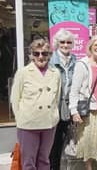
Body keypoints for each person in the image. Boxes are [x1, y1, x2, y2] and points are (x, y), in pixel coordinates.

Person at [10, 38, 61, 170]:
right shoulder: (23, 73)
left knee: (44, 160)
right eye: (36, 53)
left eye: (44, 53)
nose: (40, 57)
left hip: (49, 123)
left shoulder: (55, 73)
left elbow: (57, 97)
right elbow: (15, 99)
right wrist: (21, 118)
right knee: (28, 162)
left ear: (49, 55)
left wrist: (54, 116)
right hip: (28, 123)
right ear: (31, 55)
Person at [68, 35, 97, 170]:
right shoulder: (82, 65)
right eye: (96, 45)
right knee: (88, 142)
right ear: (91, 47)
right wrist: (73, 111)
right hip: (89, 111)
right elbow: (74, 90)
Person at [49, 29, 76, 170]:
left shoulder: (75, 60)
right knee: (54, 144)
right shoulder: (50, 61)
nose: (65, 45)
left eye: (68, 42)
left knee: (68, 144)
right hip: (54, 108)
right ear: (57, 43)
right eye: (62, 42)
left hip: (70, 108)